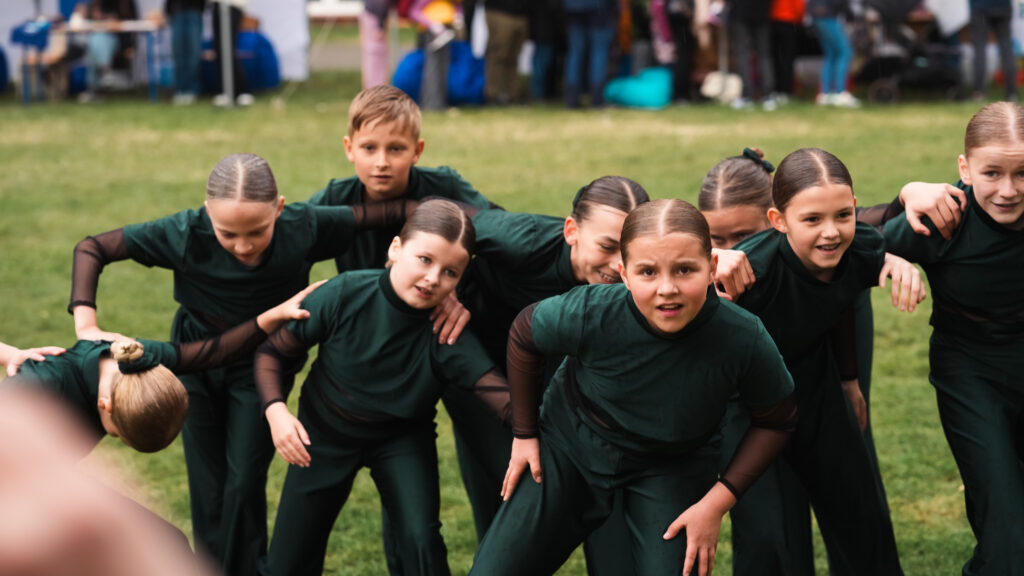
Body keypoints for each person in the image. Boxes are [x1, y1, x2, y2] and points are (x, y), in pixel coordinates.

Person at [68, 153, 420, 576]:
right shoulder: (185, 233)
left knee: (244, 481)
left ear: (279, 208)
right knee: (208, 487)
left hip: (261, 366)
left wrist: (451, 235)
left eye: (257, 231)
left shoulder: (304, 226)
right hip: (195, 363)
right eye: (227, 233)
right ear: (207, 213)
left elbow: (389, 213)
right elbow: (93, 248)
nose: (243, 246)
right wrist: (87, 325)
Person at [468, 198, 798, 576]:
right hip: (571, 445)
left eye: (685, 269)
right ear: (624, 274)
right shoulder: (591, 312)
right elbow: (525, 332)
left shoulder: (742, 336)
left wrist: (716, 503)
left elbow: (778, 419)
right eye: (647, 272)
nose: (667, 288)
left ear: (711, 267)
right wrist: (525, 434)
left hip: (673, 463)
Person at [254, 199, 511, 576]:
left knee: (422, 542)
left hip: (401, 441)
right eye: (424, 259)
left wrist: (544, 427)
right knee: (287, 561)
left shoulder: (447, 334)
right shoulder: (344, 294)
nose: (432, 278)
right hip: (321, 437)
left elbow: (502, 399)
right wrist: (276, 411)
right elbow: (271, 353)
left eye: (449, 272)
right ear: (395, 249)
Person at [451, 176, 648, 576]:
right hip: (482, 368)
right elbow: (438, 216)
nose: (618, 265)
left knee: (585, 487)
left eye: (628, 252)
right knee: (505, 494)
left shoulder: (632, 278)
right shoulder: (521, 239)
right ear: (571, 231)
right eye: (606, 246)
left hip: (555, 372)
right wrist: (442, 279)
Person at [719, 147, 902, 575]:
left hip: (815, 386)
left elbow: (839, 300)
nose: (831, 232)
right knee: (767, 535)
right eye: (812, 220)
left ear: (854, 208)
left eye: (842, 215)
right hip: (747, 403)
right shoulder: (750, 274)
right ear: (778, 221)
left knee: (860, 513)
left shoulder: (859, 247)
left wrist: (849, 379)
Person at [883, 102, 1024, 576]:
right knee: (1008, 534)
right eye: (992, 173)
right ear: (965, 169)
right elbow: (844, 241)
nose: (1008, 190)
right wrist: (887, 255)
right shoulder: (946, 216)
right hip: (971, 372)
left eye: (1023, 173)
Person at [5, 285, 319, 454]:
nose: (114, 437)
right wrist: (7, 354)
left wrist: (274, 315)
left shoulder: (140, 361)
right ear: (106, 405)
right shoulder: (37, 391)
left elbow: (213, 353)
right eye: (120, 435)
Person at [562, 0, 619, 108]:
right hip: (598, 7)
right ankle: (597, 98)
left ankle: (571, 98)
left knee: (575, 51)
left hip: (573, 7)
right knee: (599, 50)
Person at [727, 0, 777, 110]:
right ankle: (768, 95)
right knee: (764, 55)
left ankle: (747, 96)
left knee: (743, 54)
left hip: (740, 12)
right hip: (762, 12)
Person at [807, 0, 858, 107]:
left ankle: (825, 94)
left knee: (831, 55)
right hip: (828, 16)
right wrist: (851, 17)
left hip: (817, 15)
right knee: (845, 53)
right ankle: (840, 92)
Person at [968, 0, 1018, 102]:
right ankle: (1012, 93)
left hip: (979, 6)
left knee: (979, 48)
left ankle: (978, 92)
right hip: (1002, 5)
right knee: (1006, 47)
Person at [210, 0, 254, 106]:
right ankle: (223, 91)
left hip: (232, 5)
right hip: (218, 5)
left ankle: (242, 91)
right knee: (219, 49)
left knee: (228, 48)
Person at [484, 0, 529, 105]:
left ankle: (512, 95)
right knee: (498, 55)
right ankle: (493, 95)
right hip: (500, 12)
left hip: (521, 14)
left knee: (513, 58)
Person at [164, 0, 206, 105]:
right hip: (177, 11)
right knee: (178, 54)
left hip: (194, 11)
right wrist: (168, 10)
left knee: (193, 54)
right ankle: (180, 89)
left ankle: (191, 90)